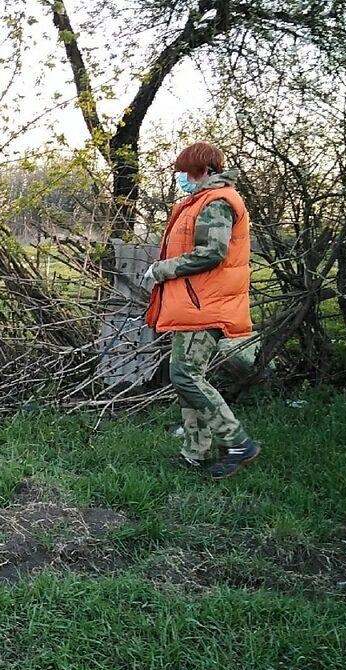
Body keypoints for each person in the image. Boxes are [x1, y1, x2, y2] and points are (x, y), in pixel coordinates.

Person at [143, 141, 261, 479]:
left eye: (184, 171)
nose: (180, 177)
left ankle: (238, 443)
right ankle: (196, 452)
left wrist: (162, 269)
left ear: (205, 171)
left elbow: (213, 253)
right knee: (187, 376)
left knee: (185, 375)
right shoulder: (200, 200)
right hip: (195, 304)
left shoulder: (216, 203)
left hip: (206, 305)